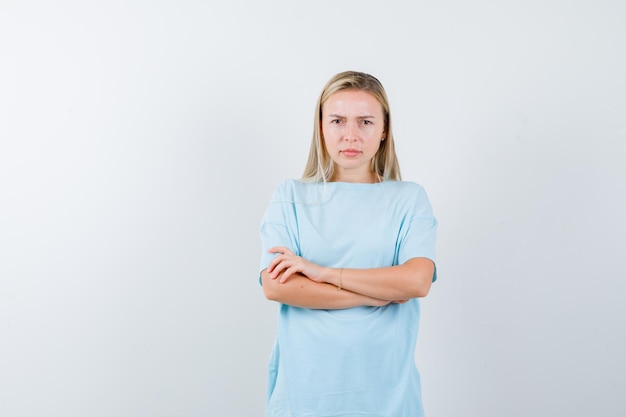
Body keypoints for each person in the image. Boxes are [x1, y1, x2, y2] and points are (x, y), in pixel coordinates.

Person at [258, 70, 438, 417]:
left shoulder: (409, 199)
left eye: (366, 121)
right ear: (321, 127)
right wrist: (382, 290)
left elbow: (416, 281)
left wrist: (321, 273)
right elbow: (277, 287)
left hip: (386, 395)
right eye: (338, 120)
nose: (351, 135)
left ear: (384, 129)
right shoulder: (290, 197)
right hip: (306, 397)